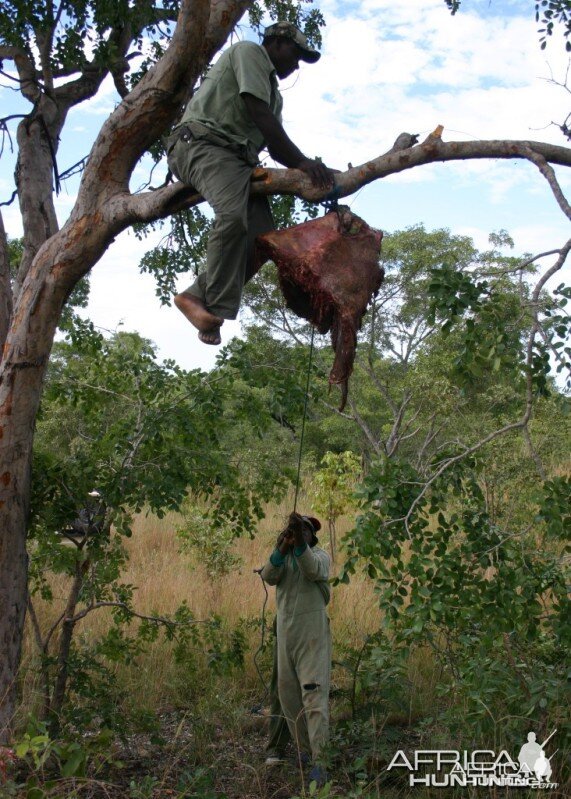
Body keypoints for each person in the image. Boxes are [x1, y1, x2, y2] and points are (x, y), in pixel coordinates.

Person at [167, 21, 336, 345]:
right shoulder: (250, 53)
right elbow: (258, 114)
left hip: (237, 162)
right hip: (201, 145)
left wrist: (308, 168)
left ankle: (198, 297)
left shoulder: (274, 97)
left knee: (263, 239)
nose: (296, 64)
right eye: (295, 54)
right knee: (232, 218)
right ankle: (202, 303)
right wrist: (303, 162)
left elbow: (273, 144)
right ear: (276, 42)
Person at [261, 511, 331, 787]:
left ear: (312, 535)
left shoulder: (320, 557)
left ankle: (321, 761)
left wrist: (300, 544)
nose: (302, 534)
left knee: (313, 695)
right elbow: (268, 574)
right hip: (286, 634)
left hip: (311, 635)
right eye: (298, 530)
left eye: (306, 531)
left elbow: (312, 569)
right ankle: (305, 753)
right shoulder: (286, 558)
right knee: (288, 696)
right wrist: (282, 546)